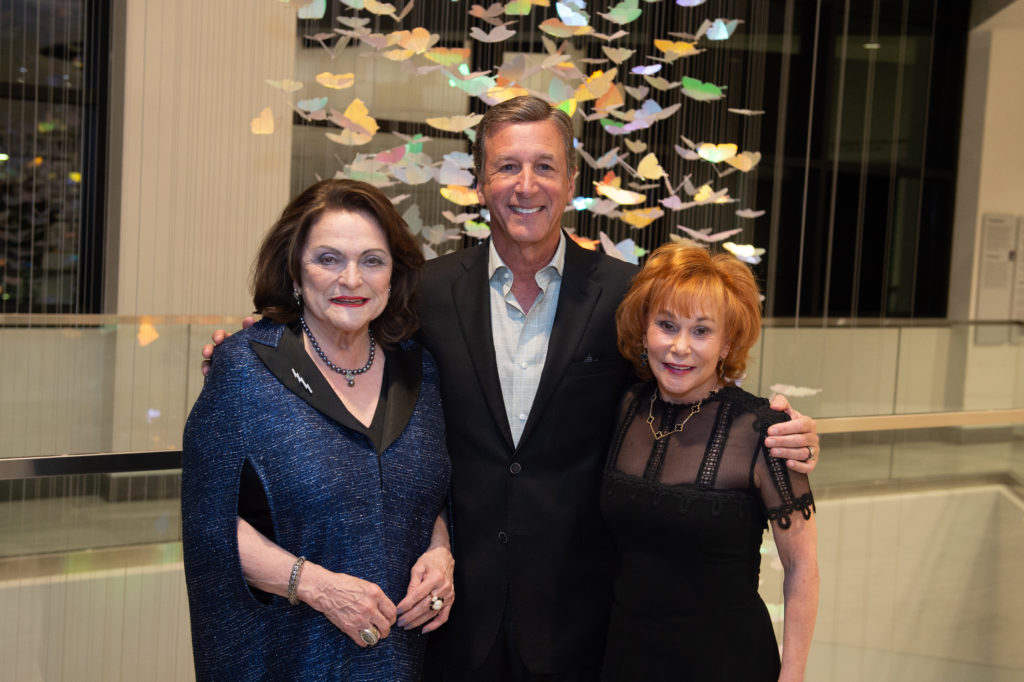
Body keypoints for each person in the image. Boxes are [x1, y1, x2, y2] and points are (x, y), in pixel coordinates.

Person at [203, 96, 820, 681]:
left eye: (544, 166)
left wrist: (783, 430)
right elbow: (346, 329)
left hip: (583, 625)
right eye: (507, 167)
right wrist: (254, 352)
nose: (526, 186)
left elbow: (685, 378)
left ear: (572, 180)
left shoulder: (627, 296)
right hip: (450, 620)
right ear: (479, 183)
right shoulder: (427, 292)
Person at [182, 178, 454, 681]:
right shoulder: (244, 368)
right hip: (291, 656)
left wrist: (442, 553)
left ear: (394, 275)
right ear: (294, 270)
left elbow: (433, 492)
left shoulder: (421, 370)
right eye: (328, 259)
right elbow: (207, 523)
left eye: (372, 260)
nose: (351, 279)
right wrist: (317, 587)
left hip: (407, 660)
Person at [601, 243, 818, 681]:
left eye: (701, 331)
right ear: (644, 331)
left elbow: (802, 566)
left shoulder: (765, 430)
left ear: (727, 343)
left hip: (728, 663)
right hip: (628, 659)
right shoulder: (623, 407)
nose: (680, 347)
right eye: (666, 325)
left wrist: (792, 676)